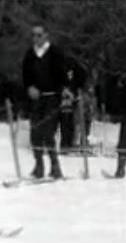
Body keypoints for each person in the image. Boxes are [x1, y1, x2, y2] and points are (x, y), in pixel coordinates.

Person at [22, 23, 72, 178]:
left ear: (46, 35)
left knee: (48, 133)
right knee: (35, 131)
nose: (35, 38)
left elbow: (64, 74)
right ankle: (39, 166)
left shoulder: (55, 52)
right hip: (37, 99)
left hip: (52, 97)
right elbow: (26, 76)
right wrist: (29, 87)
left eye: (39, 35)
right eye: (33, 35)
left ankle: (55, 166)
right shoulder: (30, 54)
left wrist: (64, 89)